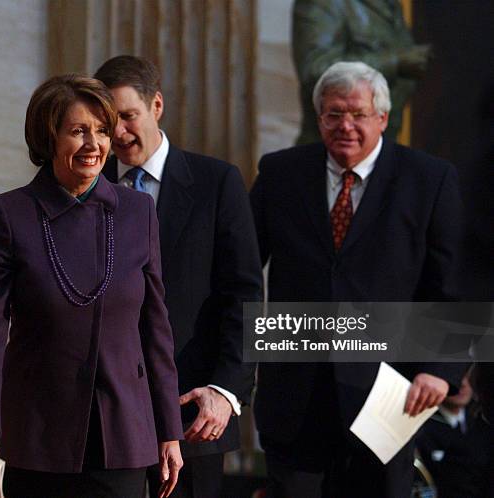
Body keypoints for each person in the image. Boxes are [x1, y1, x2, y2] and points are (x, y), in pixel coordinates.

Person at [0, 74, 183, 498]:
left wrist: (169, 428)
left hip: (124, 434)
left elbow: (156, 328)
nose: (94, 145)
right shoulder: (9, 214)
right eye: (78, 131)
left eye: (102, 130)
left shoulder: (139, 212)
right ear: (49, 137)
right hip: (38, 436)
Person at [250, 61, 466, 498]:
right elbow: (240, 270)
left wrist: (440, 370)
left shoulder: (429, 180)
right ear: (318, 117)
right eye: (333, 114)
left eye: (358, 114)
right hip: (295, 393)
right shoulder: (280, 173)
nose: (345, 126)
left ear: (383, 117)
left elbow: (453, 284)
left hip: (390, 393)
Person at [94, 55, 262, 498]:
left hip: (194, 412)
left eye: (128, 116)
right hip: (105, 415)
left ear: (157, 107)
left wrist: (227, 391)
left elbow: (244, 297)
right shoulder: (87, 186)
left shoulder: (217, 182)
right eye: (107, 120)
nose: (118, 134)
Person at [292, 0, 431, 144]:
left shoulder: (390, 4)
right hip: (332, 149)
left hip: (382, 143)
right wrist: (395, 62)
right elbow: (314, 69)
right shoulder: (322, 3)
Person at [416, 372, 494, 498]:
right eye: (457, 374)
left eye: (467, 376)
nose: (463, 384)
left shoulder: (481, 426)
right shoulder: (422, 428)